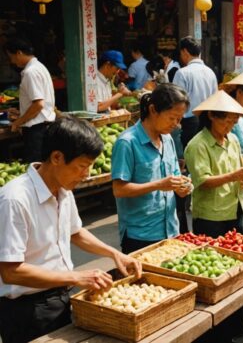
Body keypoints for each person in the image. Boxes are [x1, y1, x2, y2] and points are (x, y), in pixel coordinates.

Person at [0, 116, 142, 343]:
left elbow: (75, 232)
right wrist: (76, 276)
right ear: (57, 157)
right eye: (82, 166)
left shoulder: (63, 190)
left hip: (61, 297)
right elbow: (11, 271)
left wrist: (114, 254)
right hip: (27, 310)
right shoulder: (15, 199)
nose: (86, 174)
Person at [112, 84, 192, 253]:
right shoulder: (127, 142)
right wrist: (159, 185)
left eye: (179, 119)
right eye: (172, 118)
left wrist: (183, 187)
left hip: (171, 230)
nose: (176, 124)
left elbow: (175, 176)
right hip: (140, 235)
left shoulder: (168, 139)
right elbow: (119, 189)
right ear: (153, 110)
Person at [184, 91, 243, 238]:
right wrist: (234, 175)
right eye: (226, 121)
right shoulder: (198, 145)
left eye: (233, 123)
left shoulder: (233, 140)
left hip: (236, 209)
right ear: (211, 116)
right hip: (211, 217)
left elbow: (236, 169)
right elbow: (203, 181)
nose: (229, 127)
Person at [4, 38, 55, 163]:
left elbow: (38, 104)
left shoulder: (30, 72)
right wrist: (22, 113)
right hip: (45, 125)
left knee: (35, 167)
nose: (11, 61)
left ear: (19, 53)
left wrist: (18, 122)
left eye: (11, 56)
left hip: (36, 130)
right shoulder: (40, 67)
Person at [172, 36, 218, 148]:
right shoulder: (210, 72)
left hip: (188, 124)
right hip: (209, 123)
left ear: (185, 52)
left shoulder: (182, 73)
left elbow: (176, 101)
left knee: (189, 158)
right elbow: (216, 99)